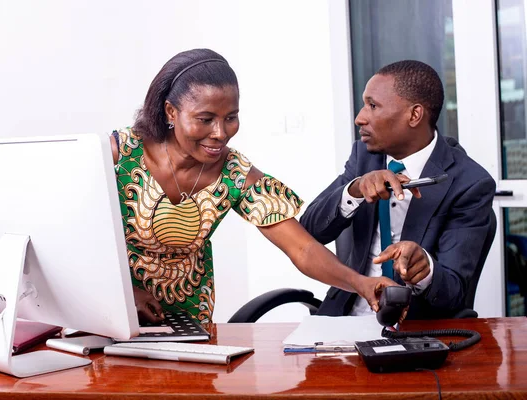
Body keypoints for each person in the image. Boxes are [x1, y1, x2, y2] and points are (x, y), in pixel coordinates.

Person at [109, 48, 397, 324]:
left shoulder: (235, 172)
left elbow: (302, 248)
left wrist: (362, 284)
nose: (220, 134)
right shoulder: (119, 155)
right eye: (205, 119)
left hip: (188, 326)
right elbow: (70, 243)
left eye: (230, 118)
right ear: (171, 112)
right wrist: (124, 294)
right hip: (111, 317)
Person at [300, 60, 496, 319]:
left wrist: (424, 269)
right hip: (344, 317)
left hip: (416, 326)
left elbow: (454, 293)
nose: (360, 117)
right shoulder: (364, 157)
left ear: (414, 115)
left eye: (373, 105)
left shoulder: (469, 183)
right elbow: (308, 232)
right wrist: (354, 190)